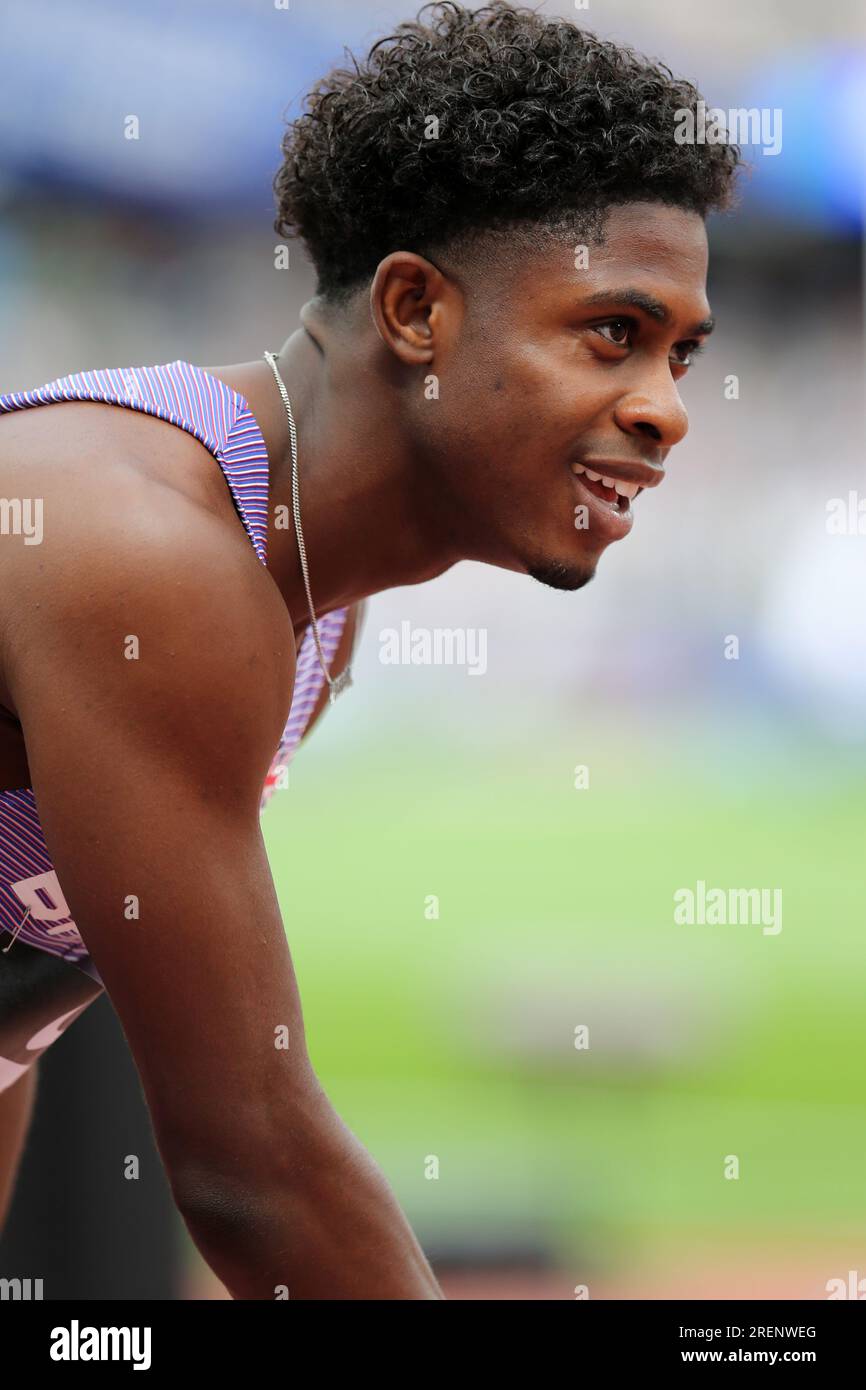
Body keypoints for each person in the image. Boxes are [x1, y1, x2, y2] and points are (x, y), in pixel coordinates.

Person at [0, 1, 739, 1298]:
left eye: (681, 354)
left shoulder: (314, 617)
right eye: (611, 333)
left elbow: (19, 1020)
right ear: (414, 310)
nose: (664, 411)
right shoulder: (141, 552)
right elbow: (255, 1168)